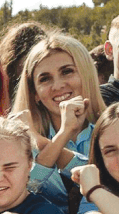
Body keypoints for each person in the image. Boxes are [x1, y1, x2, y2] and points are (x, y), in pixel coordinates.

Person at [12, 33, 104, 204]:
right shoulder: (22, 142)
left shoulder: (114, 128)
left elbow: (104, 181)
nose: (58, 86)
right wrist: (62, 135)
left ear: (86, 75)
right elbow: (25, 189)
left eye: (67, 72)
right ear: (35, 93)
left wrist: (43, 142)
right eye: (45, 79)